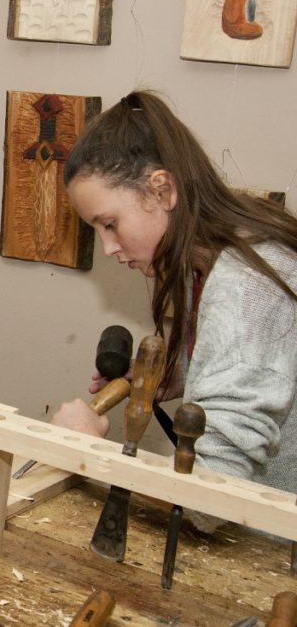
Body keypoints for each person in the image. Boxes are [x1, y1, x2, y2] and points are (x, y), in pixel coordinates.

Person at [52, 90, 297, 499]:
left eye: (109, 224)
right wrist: (188, 373)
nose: (108, 248)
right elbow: (257, 362)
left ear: (162, 190)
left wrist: (89, 450)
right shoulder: (223, 252)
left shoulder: (244, 286)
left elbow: (212, 493)